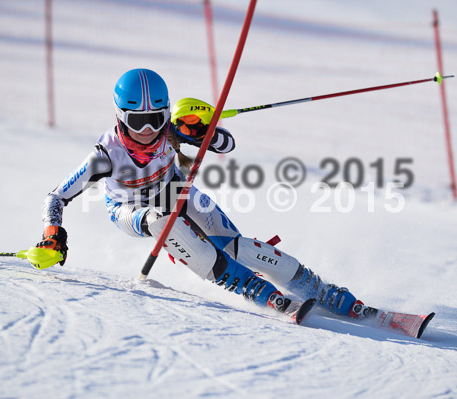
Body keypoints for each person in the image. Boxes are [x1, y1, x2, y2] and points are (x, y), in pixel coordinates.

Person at [36, 68, 373, 321]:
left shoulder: (173, 128)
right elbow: (56, 196)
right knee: (160, 221)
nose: (149, 131)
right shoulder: (105, 155)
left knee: (235, 247)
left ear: (166, 112)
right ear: (121, 118)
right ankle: (254, 289)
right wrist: (53, 233)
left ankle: (321, 290)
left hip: (176, 190)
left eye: (156, 119)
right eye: (138, 122)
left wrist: (203, 132)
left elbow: (227, 143)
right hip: (131, 208)